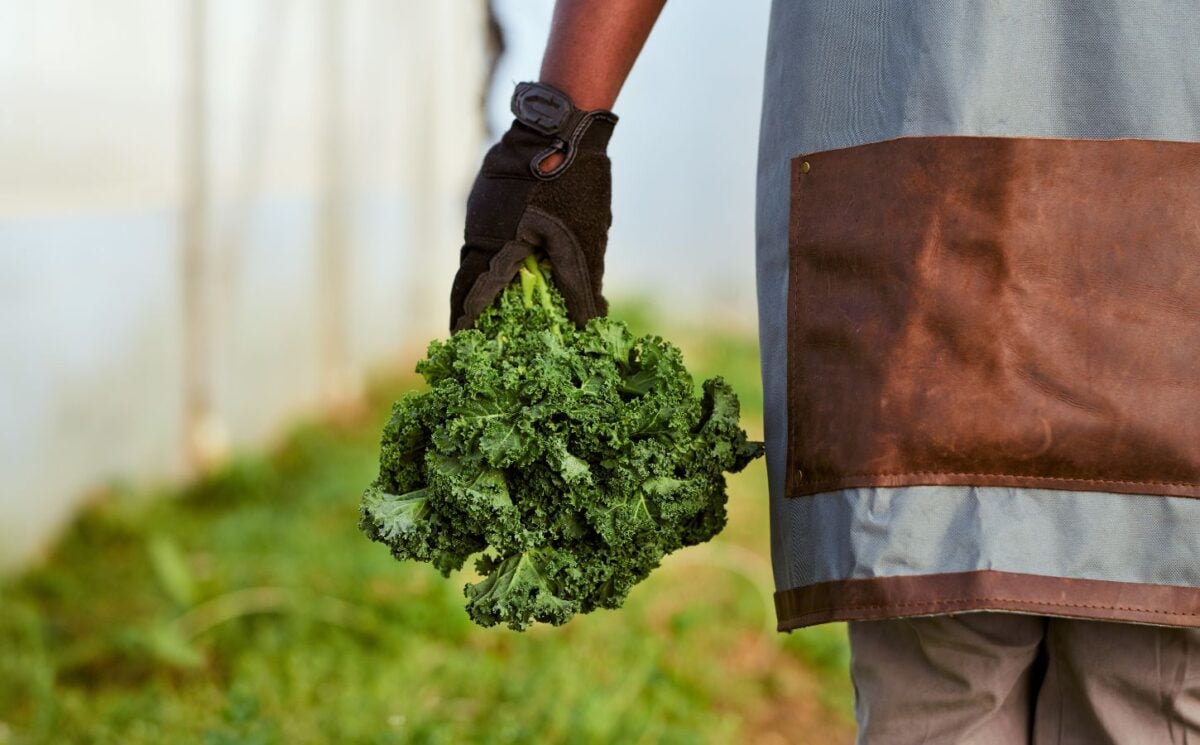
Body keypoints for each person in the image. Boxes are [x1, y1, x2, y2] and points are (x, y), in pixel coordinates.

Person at [450, 1, 1200, 742]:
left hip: (907, 201)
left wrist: (558, 129)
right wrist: (559, 135)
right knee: (1138, 688)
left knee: (944, 682)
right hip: (1133, 206)